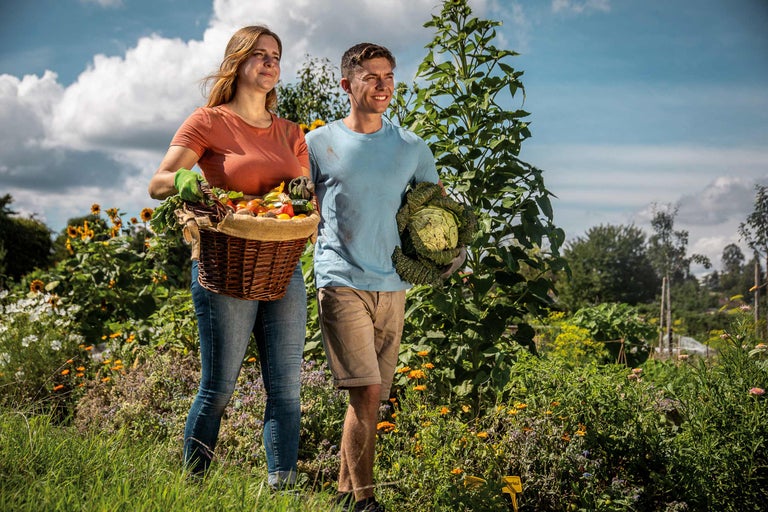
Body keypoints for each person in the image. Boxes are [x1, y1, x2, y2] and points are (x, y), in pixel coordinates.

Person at [147, 25, 309, 490]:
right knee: (218, 388)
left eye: (275, 55)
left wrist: (305, 191)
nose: (270, 62)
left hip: (282, 266)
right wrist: (183, 182)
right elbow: (158, 181)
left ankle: (283, 488)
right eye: (259, 54)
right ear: (237, 62)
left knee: (286, 389)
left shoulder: (291, 133)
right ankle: (194, 485)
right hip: (225, 265)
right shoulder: (208, 121)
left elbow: (299, 196)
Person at [305, 43, 441, 512]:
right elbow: (300, 206)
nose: (383, 85)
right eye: (371, 77)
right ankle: (367, 502)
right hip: (340, 276)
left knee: (371, 397)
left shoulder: (412, 147)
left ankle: (343, 497)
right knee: (365, 391)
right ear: (347, 84)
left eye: (388, 76)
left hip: (393, 285)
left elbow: (435, 210)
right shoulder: (317, 142)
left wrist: (449, 251)